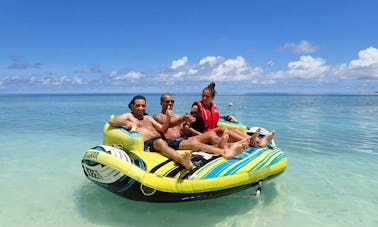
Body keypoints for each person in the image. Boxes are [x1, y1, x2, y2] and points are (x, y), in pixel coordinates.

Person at [109, 95, 194, 170]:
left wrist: (168, 118)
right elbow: (112, 121)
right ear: (132, 106)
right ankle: (182, 160)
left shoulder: (148, 117)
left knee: (189, 142)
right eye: (138, 106)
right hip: (149, 144)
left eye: (143, 106)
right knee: (160, 142)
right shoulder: (129, 116)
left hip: (161, 141)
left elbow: (163, 129)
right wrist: (126, 123)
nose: (141, 108)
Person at [153, 93, 249, 159]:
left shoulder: (177, 115)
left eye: (172, 101)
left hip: (184, 138)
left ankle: (230, 145)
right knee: (212, 134)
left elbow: (183, 131)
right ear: (161, 103)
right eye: (167, 101)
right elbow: (164, 129)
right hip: (173, 142)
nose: (170, 103)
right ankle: (231, 147)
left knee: (211, 134)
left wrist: (187, 127)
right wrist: (178, 119)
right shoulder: (158, 116)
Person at [191, 82, 276, 147]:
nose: (204, 98)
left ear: (212, 98)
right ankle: (253, 141)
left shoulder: (213, 107)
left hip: (212, 132)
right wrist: (199, 135)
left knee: (236, 130)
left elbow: (210, 116)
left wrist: (223, 117)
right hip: (203, 135)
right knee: (223, 129)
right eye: (203, 95)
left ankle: (256, 140)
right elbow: (188, 126)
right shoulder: (196, 107)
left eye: (207, 96)